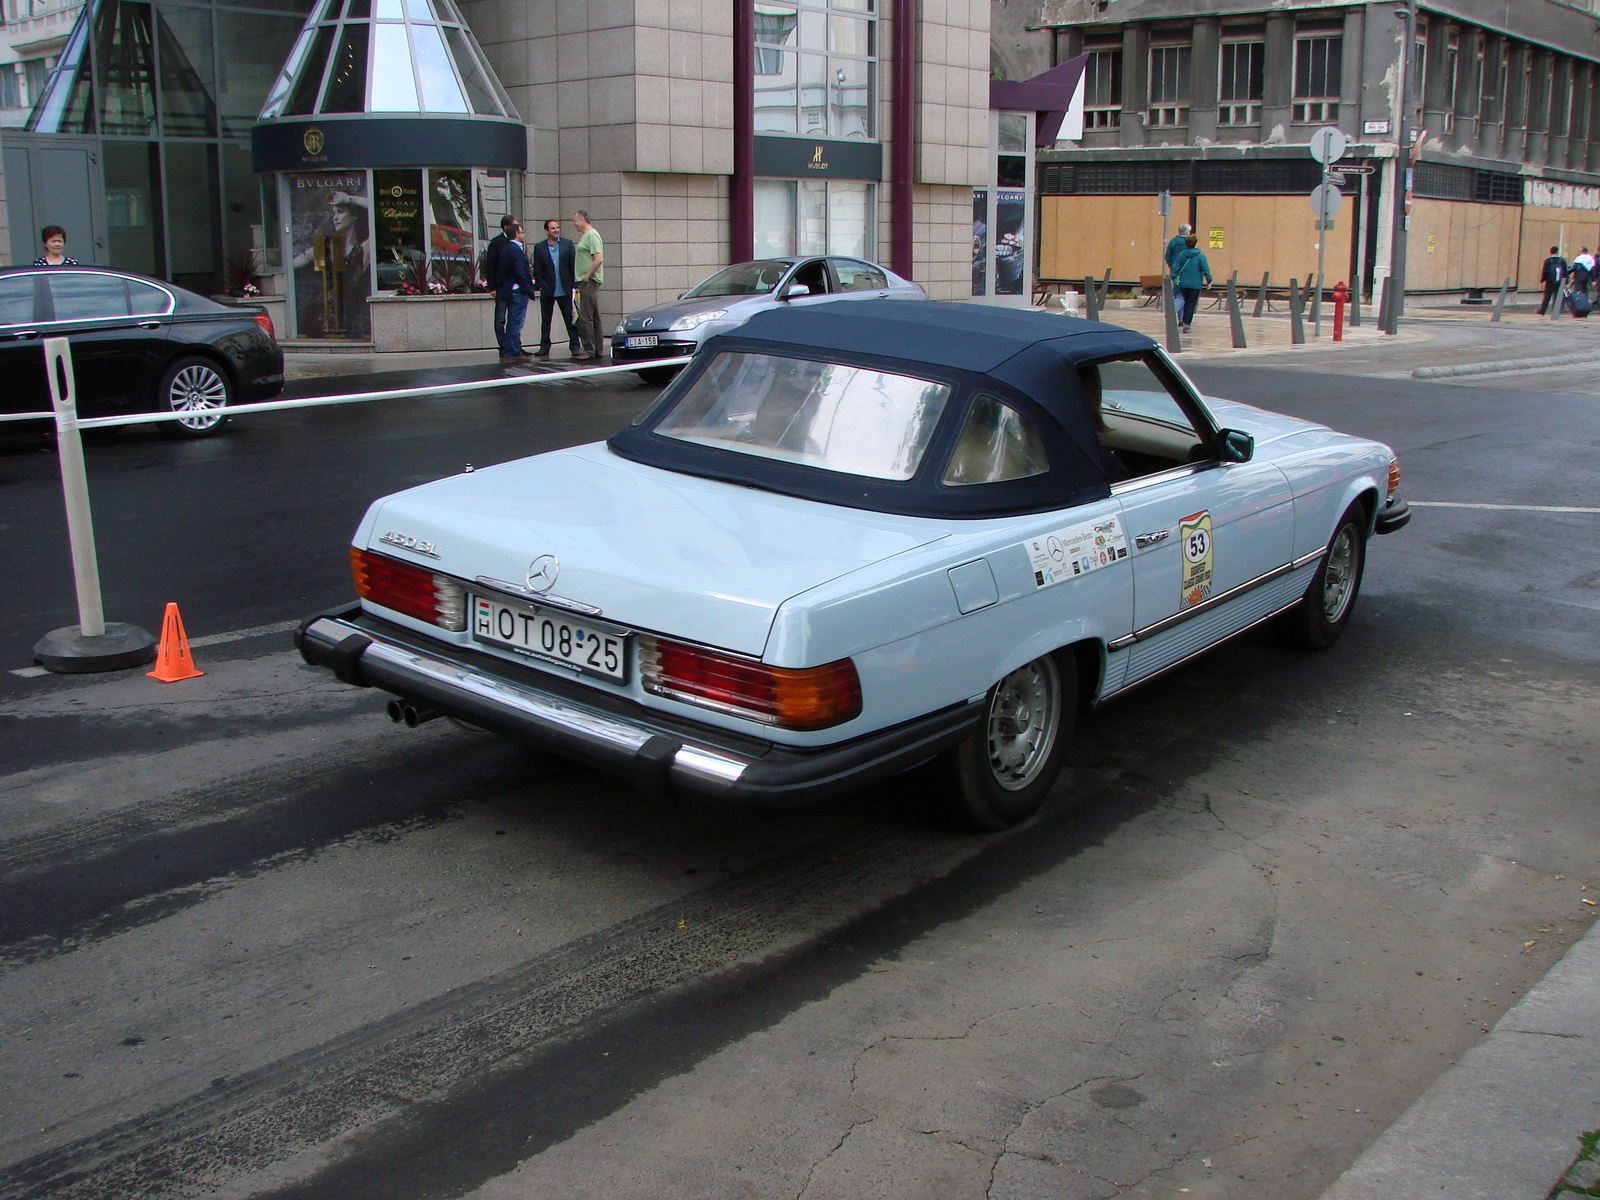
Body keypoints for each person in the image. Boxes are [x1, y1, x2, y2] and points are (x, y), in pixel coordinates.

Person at [529, 218, 580, 359]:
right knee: (546, 320)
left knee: (570, 319)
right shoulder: (539, 247)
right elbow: (537, 269)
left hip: (565, 288)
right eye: (552, 228)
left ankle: (575, 345)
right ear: (546, 231)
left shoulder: (567, 244)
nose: (556, 230)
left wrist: (574, 286)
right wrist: (542, 285)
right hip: (548, 290)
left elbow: (573, 266)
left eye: (557, 227)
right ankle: (544, 347)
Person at [495, 223, 534, 361]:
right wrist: (527, 287)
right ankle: (513, 351)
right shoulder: (515, 250)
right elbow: (521, 272)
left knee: (512, 320)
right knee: (515, 322)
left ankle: (513, 349)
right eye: (522, 232)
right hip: (517, 291)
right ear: (516, 234)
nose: (524, 234)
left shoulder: (506, 248)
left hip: (509, 289)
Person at [481, 214, 517, 354]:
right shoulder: (497, 242)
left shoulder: (515, 241)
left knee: (514, 318)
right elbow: (490, 266)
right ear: (506, 227)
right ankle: (503, 345)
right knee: (500, 318)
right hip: (501, 286)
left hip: (515, 286)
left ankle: (515, 345)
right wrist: (492, 287)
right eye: (514, 226)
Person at [572, 210, 605, 360]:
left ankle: (589, 349)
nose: (574, 224)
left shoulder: (592, 235)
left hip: (589, 281)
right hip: (588, 280)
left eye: (576, 221)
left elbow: (598, 259)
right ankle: (597, 348)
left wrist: (586, 277)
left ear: (583, 220)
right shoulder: (588, 236)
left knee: (585, 315)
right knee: (594, 315)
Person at [1172, 234, 1213, 332]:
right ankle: (1187, 324)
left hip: (1183, 283)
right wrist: (1209, 280)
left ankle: (1183, 321)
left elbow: (1175, 267)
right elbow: (1205, 269)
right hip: (1195, 284)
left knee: (1186, 302)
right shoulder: (1199, 255)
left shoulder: (1182, 255)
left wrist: (1174, 277)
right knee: (1191, 304)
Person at [1539, 246, 1567, 316]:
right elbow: (1565, 272)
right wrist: (1566, 282)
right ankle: (1555, 311)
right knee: (1557, 297)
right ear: (1557, 252)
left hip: (1549, 281)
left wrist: (1542, 280)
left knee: (1547, 296)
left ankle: (1543, 310)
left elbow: (1545, 271)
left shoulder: (1548, 261)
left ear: (1550, 252)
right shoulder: (1562, 261)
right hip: (1559, 281)